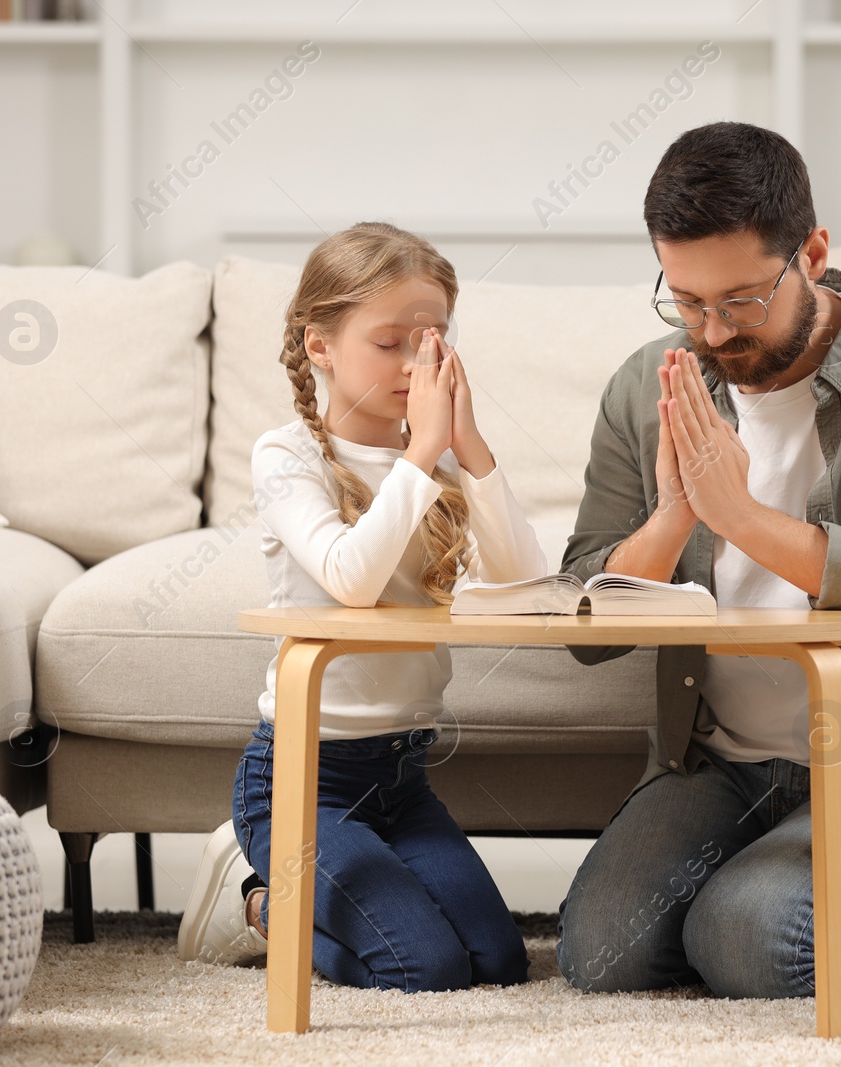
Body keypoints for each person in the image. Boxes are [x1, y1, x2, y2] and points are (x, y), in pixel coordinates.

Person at [555, 122, 841, 998]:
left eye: (743, 301)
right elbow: (586, 625)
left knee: (750, 942)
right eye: (686, 301)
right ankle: (801, 897)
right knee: (602, 953)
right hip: (719, 762)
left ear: (813, 250)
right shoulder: (646, 387)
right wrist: (674, 515)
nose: (714, 332)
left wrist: (743, 517)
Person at [175, 221, 543, 991]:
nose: (415, 363)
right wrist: (419, 454)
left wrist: (467, 446)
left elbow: (522, 584)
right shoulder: (288, 456)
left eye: (431, 340)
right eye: (389, 343)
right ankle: (257, 903)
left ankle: (314, 890)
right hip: (303, 778)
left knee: (499, 962)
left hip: (401, 779)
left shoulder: (437, 462)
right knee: (422, 966)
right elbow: (350, 577)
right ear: (320, 346)